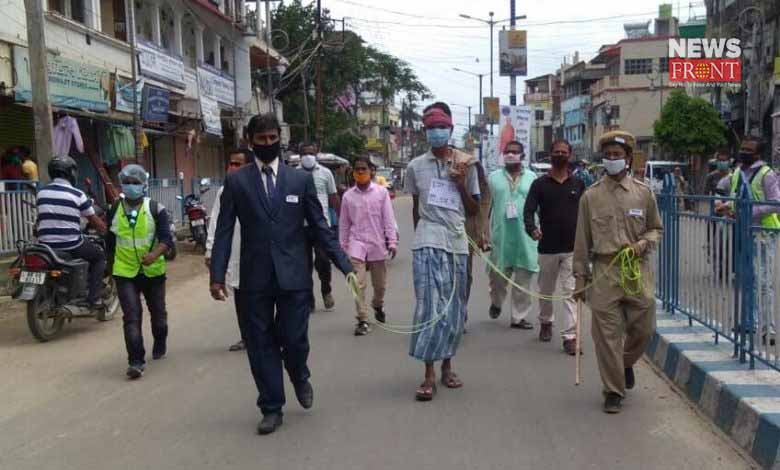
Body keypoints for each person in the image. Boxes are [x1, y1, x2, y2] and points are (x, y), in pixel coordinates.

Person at [209, 113, 353, 435]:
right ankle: (271, 406)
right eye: (262, 140)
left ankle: (299, 374)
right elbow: (223, 230)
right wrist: (216, 275)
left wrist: (344, 265)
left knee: (294, 339)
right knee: (260, 345)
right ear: (251, 142)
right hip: (254, 278)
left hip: (293, 277)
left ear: (280, 139)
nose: (269, 144)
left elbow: (320, 227)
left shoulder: (299, 181)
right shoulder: (236, 182)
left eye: (273, 139)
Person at [573, 130, 663, 414]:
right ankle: (613, 390)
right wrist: (579, 278)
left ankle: (625, 363)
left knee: (644, 328)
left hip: (636, 269)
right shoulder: (590, 197)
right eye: (608, 155)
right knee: (606, 335)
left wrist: (644, 243)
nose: (612, 160)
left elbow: (656, 229)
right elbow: (582, 240)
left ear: (627, 158)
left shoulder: (644, 193)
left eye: (618, 155)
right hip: (604, 271)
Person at [405, 102, 480, 401]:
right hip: (427, 240)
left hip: (457, 242)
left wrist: (461, 184)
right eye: (432, 128)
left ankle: (448, 366)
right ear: (426, 132)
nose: (437, 132)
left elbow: (473, 209)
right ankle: (428, 374)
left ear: (450, 130)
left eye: (442, 127)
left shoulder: (466, 164)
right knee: (428, 307)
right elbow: (414, 208)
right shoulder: (414, 166)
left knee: (453, 309)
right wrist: (419, 239)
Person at [106, 164, 174, 380]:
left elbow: (167, 240)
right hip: (125, 272)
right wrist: (109, 270)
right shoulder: (114, 209)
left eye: (136, 183)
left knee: (159, 317)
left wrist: (154, 255)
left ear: (144, 185)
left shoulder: (155, 208)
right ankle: (135, 361)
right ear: (121, 184)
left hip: (153, 271)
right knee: (131, 317)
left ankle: (160, 340)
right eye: (127, 182)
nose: (131, 186)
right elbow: (110, 242)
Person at [524, 139, 585, 354]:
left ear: (570, 155)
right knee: (546, 291)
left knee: (570, 293)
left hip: (571, 249)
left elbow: (586, 214)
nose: (560, 155)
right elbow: (528, 211)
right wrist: (532, 229)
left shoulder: (578, 184)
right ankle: (546, 322)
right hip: (547, 248)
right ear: (550, 155)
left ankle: (570, 336)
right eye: (556, 152)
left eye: (564, 152)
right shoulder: (539, 185)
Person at [718, 138, 780, 343]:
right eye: (742, 148)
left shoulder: (766, 174)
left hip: (763, 233)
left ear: (758, 154)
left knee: (763, 282)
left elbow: (776, 203)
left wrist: (750, 211)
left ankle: (768, 328)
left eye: (748, 150)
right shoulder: (737, 172)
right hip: (743, 231)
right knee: (746, 280)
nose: (743, 152)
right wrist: (727, 206)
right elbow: (735, 197)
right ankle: (749, 323)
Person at [36, 156, 107, 309]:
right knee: (99, 257)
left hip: (45, 245)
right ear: (71, 173)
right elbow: (94, 220)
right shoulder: (77, 194)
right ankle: (93, 299)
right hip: (70, 243)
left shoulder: (41, 193)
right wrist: (106, 230)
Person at [339, 156, 398, 335]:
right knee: (357, 283)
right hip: (356, 244)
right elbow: (344, 224)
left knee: (380, 286)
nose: (361, 172)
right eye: (357, 169)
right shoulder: (348, 196)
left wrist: (392, 241)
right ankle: (362, 319)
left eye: (364, 169)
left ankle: (377, 305)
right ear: (353, 173)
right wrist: (342, 245)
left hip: (377, 243)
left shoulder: (381, 193)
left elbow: (388, 219)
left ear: (371, 171)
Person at [486, 141, 538, 330]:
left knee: (523, 279)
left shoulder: (533, 178)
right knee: (498, 278)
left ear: (522, 156)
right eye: (507, 151)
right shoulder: (493, 178)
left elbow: (540, 207)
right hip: (501, 235)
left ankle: (519, 317)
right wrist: (484, 232)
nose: (510, 155)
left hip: (525, 236)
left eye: (514, 152)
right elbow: (486, 207)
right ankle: (496, 302)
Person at [206, 149, 250, 352]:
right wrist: (210, 252)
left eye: (237, 164)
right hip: (235, 252)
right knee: (240, 296)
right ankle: (246, 337)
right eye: (230, 163)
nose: (232, 168)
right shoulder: (225, 192)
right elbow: (216, 223)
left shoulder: (262, 189)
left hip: (260, 255)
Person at [300, 142, 340, 311]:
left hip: (322, 225)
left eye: (311, 152)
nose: (308, 155)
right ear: (300, 155)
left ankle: (326, 290)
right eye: (305, 153)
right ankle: (309, 299)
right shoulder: (293, 174)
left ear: (316, 154)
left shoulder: (326, 173)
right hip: (300, 227)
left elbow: (333, 198)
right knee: (304, 265)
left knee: (323, 261)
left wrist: (339, 222)